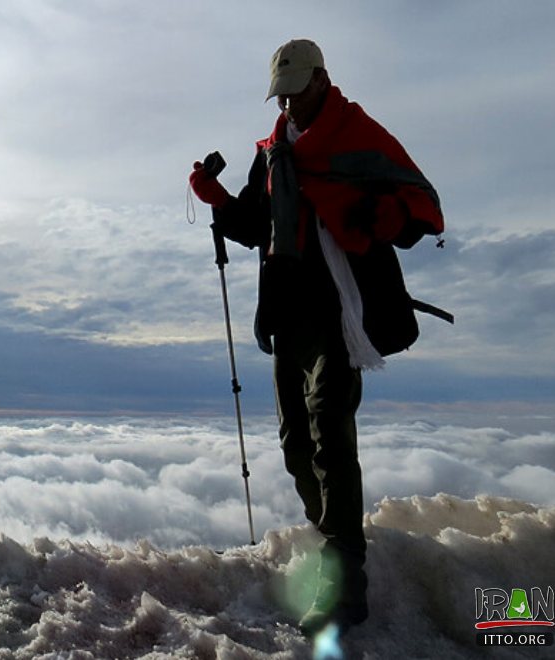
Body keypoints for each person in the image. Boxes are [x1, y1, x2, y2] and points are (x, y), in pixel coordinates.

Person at [188, 39, 443, 634]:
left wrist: (395, 220)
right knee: (294, 442)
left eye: (298, 91)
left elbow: (422, 204)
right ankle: (339, 535)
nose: (291, 104)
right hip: (288, 309)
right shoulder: (273, 152)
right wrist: (221, 201)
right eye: (283, 94)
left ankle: (344, 580)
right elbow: (259, 225)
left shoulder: (359, 134)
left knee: (329, 426)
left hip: (340, 308)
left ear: (323, 80)